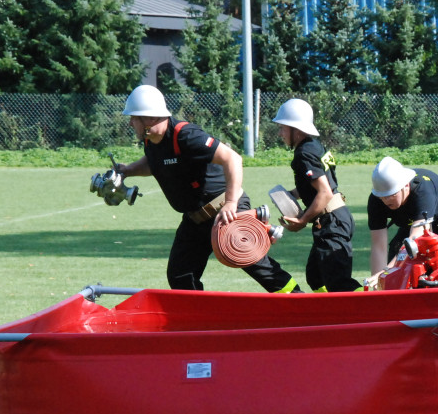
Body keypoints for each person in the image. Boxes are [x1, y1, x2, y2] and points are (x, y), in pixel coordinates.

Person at [116, 85, 300, 293]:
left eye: (134, 117)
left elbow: (233, 158)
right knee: (180, 275)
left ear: (148, 118)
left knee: (255, 264)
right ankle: (199, 320)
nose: (131, 122)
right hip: (195, 219)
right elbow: (154, 162)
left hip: (224, 210)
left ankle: (300, 302)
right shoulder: (152, 142)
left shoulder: (186, 135)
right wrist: (127, 170)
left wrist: (231, 203)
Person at [271, 99, 361, 292]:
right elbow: (315, 186)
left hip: (332, 222)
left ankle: (370, 311)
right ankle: (330, 312)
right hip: (335, 218)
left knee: (339, 282)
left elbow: (324, 192)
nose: (280, 133)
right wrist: (289, 196)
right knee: (316, 276)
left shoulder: (303, 154)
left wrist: (302, 220)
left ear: (296, 129)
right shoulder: (314, 146)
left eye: (282, 128)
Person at [367, 156, 438, 275]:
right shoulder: (376, 200)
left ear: (406, 186)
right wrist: (379, 278)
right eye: (382, 196)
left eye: (391, 194)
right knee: (396, 256)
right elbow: (378, 245)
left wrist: (388, 271)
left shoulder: (422, 190)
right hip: (415, 223)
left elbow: (415, 239)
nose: (386, 200)